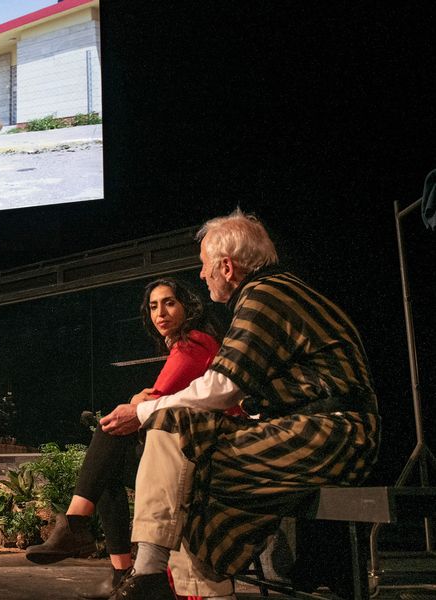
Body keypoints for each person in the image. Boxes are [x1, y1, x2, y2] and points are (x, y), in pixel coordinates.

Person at [104, 209, 380, 600]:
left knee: (179, 443)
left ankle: (152, 575)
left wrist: (142, 411)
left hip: (334, 434)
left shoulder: (266, 295)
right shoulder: (277, 291)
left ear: (227, 267)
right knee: (184, 463)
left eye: (204, 267)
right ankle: (156, 577)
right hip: (309, 429)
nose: (201, 276)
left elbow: (223, 386)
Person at [26, 279, 238, 600]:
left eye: (169, 303)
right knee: (106, 469)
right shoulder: (185, 345)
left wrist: (139, 399)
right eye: (153, 306)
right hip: (189, 453)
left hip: (207, 457)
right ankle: (119, 570)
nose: (160, 313)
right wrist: (140, 400)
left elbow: (154, 398)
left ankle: (76, 525)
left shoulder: (195, 342)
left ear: (187, 307)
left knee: (108, 430)